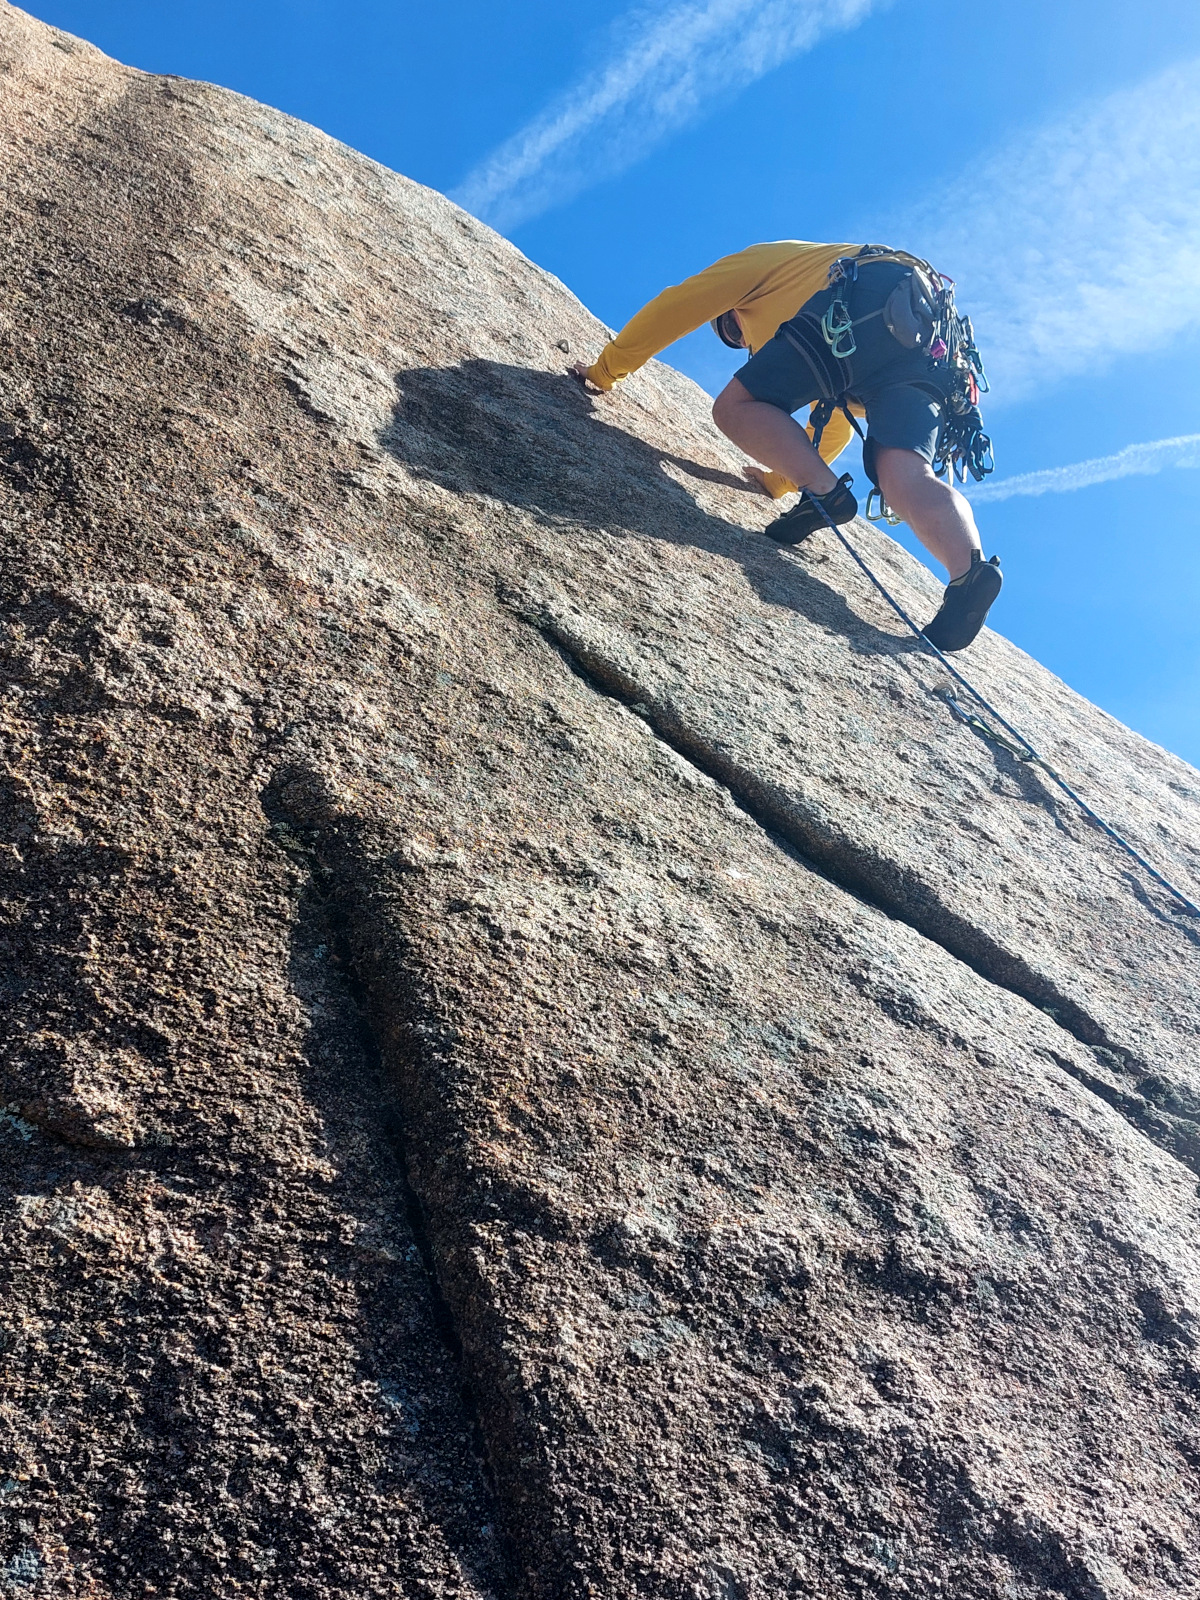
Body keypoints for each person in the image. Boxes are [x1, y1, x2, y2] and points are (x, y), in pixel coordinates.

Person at [572, 240, 1002, 652]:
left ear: (732, 312)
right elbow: (833, 429)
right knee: (904, 475)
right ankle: (968, 573)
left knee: (736, 408)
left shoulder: (765, 263)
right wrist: (779, 482)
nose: (743, 341)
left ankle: (825, 496)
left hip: (862, 300)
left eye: (731, 329)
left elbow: (680, 304)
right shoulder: (808, 270)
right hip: (930, 341)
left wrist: (605, 371)